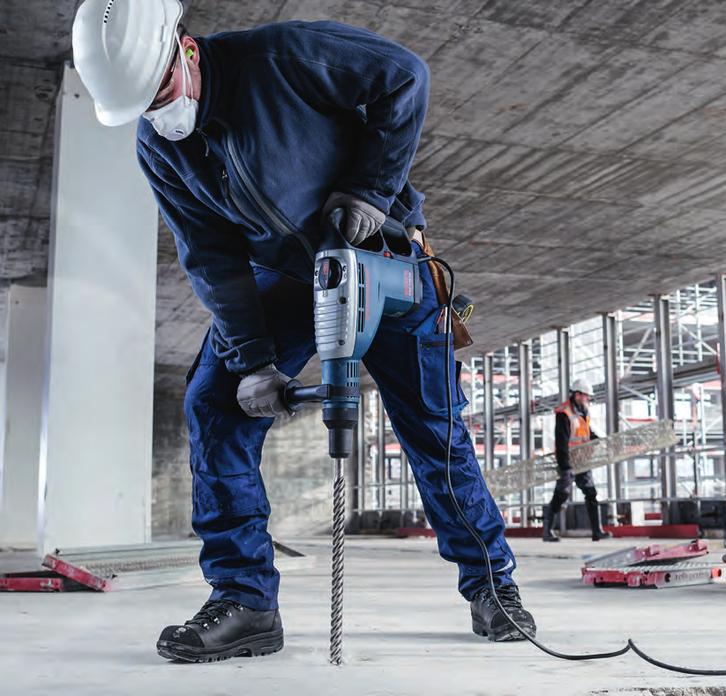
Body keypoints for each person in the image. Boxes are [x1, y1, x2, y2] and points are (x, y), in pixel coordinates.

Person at [71, 0, 535, 662]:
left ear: (185, 48)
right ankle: (245, 602)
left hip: (386, 257)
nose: (156, 110)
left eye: (159, 91)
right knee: (215, 402)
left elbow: (404, 76)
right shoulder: (159, 148)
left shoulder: (281, 59)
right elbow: (211, 258)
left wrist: (371, 192)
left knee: (435, 432)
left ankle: (494, 588)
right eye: (140, 105)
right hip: (292, 278)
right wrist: (256, 360)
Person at [542, 378, 612, 542]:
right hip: (568, 462)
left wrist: (597, 439)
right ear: (578, 394)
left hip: (583, 461)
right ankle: (547, 532)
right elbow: (562, 442)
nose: (588, 398)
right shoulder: (564, 412)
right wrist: (565, 467)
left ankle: (597, 532)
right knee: (561, 495)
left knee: (591, 494)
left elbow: (585, 432)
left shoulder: (583, 410)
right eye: (586, 395)